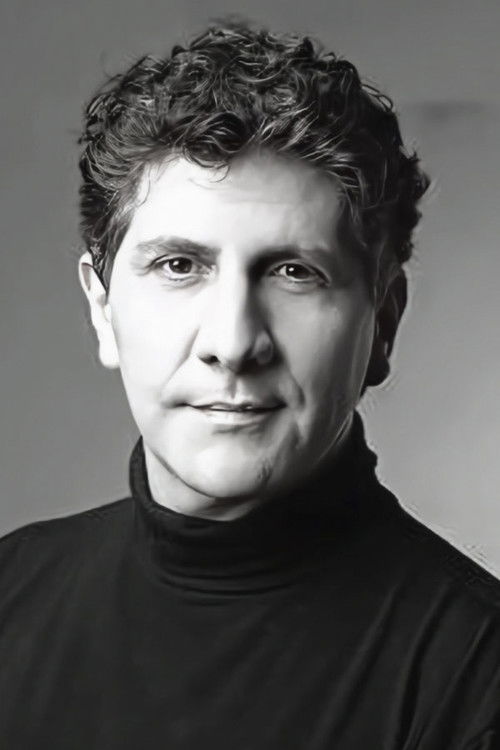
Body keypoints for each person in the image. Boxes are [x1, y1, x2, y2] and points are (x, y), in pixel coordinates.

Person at [1, 20, 499, 749]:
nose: (233, 344)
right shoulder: (10, 592)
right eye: (179, 266)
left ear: (384, 322)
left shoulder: (475, 681)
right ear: (102, 310)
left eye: (295, 272)